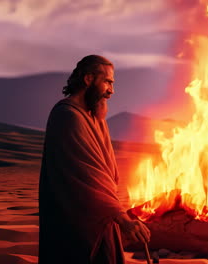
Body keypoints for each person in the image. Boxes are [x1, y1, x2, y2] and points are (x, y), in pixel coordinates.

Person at [39, 55, 150, 264]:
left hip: (102, 219)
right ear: (89, 79)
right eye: (107, 82)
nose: (112, 90)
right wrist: (123, 220)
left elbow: (105, 175)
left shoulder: (94, 117)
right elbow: (86, 179)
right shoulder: (67, 116)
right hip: (76, 225)